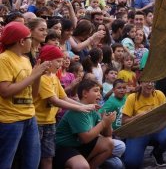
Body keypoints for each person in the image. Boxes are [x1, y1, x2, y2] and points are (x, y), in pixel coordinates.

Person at [34, 45, 96, 169]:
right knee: (35, 157)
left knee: (48, 157)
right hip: (37, 123)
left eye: (61, 61)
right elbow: (54, 100)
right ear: (47, 60)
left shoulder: (54, 77)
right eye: (58, 61)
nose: (60, 64)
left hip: (50, 122)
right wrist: (80, 108)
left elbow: (64, 97)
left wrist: (85, 106)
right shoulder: (42, 78)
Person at [0, 22, 50, 169]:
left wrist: (38, 75)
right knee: (5, 162)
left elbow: (34, 95)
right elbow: (5, 91)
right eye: (29, 38)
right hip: (10, 120)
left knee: (32, 161)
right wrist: (33, 75)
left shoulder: (26, 60)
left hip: (29, 116)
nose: (31, 41)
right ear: (21, 41)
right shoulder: (4, 59)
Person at [53, 79, 116, 169]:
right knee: (81, 166)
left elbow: (107, 135)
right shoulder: (78, 110)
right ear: (85, 93)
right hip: (63, 148)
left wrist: (108, 122)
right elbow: (85, 138)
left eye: (100, 91)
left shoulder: (94, 110)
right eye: (96, 91)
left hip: (79, 146)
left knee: (109, 143)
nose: (99, 94)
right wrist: (103, 123)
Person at [122, 81, 166, 168]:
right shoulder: (132, 97)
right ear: (140, 83)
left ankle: (157, 153)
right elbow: (124, 121)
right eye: (147, 81)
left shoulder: (159, 94)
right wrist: (138, 117)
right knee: (132, 163)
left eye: (152, 81)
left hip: (156, 129)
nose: (150, 84)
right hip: (138, 132)